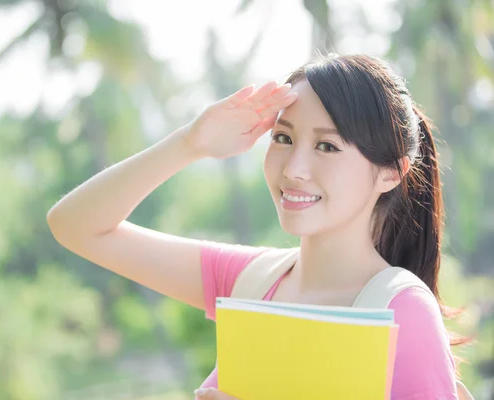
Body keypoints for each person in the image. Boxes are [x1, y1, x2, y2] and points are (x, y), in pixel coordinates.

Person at [47, 53, 467, 399]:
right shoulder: (249, 281)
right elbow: (76, 225)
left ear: (391, 173)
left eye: (327, 146)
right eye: (283, 138)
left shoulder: (401, 312)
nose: (295, 169)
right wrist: (189, 144)